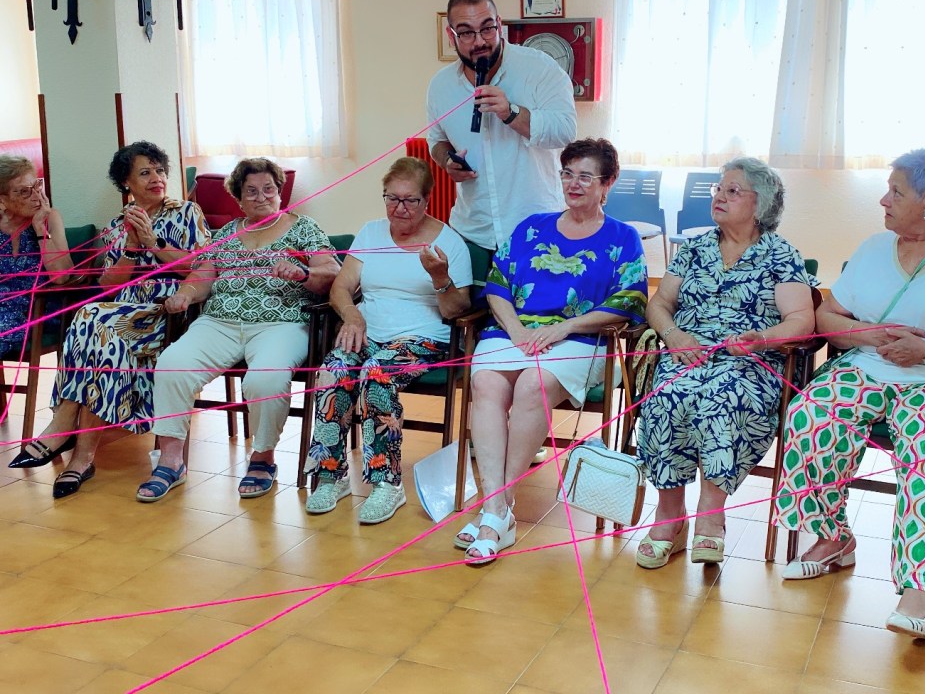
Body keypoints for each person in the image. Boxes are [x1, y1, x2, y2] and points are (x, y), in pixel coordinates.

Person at [773, 148, 925, 638]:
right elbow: (827, 316)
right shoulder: (872, 250)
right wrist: (867, 335)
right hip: (868, 367)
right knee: (809, 415)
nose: (884, 200)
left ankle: (917, 593)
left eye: (895, 192)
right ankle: (833, 537)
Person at [459, 138, 648, 565]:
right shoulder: (532, 227)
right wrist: (515, 329)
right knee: (486, 382)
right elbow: (498, 283)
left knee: (533, 384)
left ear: (607, 183)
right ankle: (497, 508)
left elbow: (630, 299)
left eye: (586, 176)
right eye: (567, 174)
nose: (573, 184)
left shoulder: (623, 237)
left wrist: (564, 327)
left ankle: (495, 512)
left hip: (580, 339)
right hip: (513, 332)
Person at [634, 158, 815, 569]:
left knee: (723, 396)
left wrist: (761, 339)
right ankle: (670, 515)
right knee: (666, 397)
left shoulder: (780, 254)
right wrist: (674, 335)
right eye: (719, 188)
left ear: (761, 204)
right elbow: (659, 304)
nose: (719, 196)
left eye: (733, 191)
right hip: (687, 352)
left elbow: (802, 319)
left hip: (749, 362)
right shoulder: (694, 248)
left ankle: (710, 515)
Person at [7, 142, 209, 500]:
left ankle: (67, 433)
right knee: (98, 329)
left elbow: (201, 267)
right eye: (145, 172)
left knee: (89, 317)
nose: (156, 178)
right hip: (121, 312)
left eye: (159, 170)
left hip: (168, 311)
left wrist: (152, 242)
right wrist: (131, 246)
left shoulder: (186, 212)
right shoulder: (117, 224)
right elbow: (109, 285)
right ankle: (80, 459)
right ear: (126, 182)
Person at [138, 157, 339, 502]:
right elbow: (202, 275)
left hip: (282, 322)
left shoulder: (305, 228)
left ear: (280, 192)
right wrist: (186, 294)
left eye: (268, 189)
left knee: (265, 379)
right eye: (251, 191)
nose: (262, 197)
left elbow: (332, 273)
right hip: (220, 322)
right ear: (239, 198)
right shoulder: (225, 234)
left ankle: (263, 458)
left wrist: (304, 274)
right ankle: (171, 461)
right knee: (172, 364)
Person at [303, 157, 473, 521]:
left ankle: (387, 484)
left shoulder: (448, 243)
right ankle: (331, 475)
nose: (400, 208)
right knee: (334, 369)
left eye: (410, 200)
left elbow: (456, 310)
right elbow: (341, 287)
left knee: (377, 373)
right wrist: (352, 315)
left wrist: (440, 278)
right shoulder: (371, 233)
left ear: (427, 200)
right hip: (369, 331)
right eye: (392, 198)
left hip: (424, 338)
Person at [426, 0, 577, 251]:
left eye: (487, 28)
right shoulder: (441, 86)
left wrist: (511, 113)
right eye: (466, 33)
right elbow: (436, 141)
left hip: (535, 229)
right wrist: (447, 161)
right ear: (451, 36)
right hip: (472, 230)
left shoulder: (539, 68)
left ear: (499, 24)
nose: (479, 42)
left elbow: (565, 131)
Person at [0, 155, 73, 358]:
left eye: (36, 186)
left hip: (38, 309)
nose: (36, 196)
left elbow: (62, 277)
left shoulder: (50, 218)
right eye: (24, 191)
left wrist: (40, 229)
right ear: (2, 199)